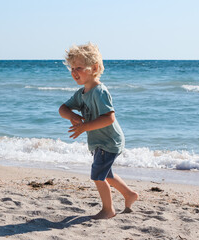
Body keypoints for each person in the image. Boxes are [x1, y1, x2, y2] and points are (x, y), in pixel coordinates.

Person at [59, 42, 139, 219]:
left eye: (79, 67)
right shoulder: (81, 93)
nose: (74, 72)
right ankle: (129, 194)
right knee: (106, 174)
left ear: (94, 68)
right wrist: (73, 116)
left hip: (109, 141)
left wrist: (84, 127)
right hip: (99, 141)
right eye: (72, 68)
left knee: (97, 176)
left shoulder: (100, 91)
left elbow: (109, 118)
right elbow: (62, 108)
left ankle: (108, 210)